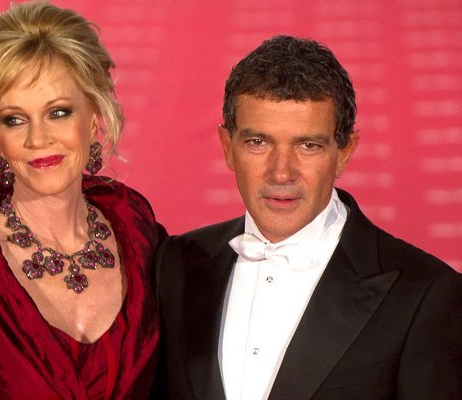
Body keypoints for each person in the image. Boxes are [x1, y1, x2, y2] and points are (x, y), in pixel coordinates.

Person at [154, 35, 462, 400]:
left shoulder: (425, 295)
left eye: (308, 145)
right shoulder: (175, 265)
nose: (281, 173)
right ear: (228, 147)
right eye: (258, 142)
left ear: (344, 152)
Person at [0, 2, 164, 399]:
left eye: (58, 112)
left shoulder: (143, 246)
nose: (38, 139)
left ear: (93, 117)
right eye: (15, 119)